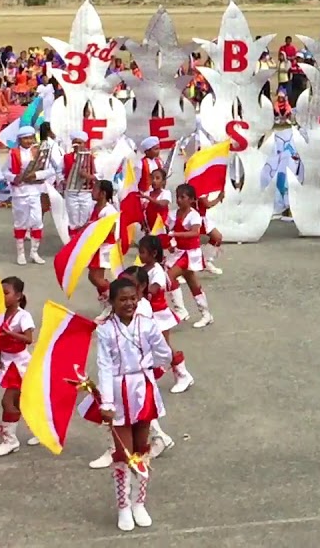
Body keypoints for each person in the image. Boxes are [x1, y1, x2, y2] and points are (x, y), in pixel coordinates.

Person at [95, 277, 173, 532]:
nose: (129, 303)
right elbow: (104, 366)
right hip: (118, 392)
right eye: (122, 299)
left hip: (142, 388)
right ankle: (123, 506)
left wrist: (150, 364)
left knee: (141, 449)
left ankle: (140, 502)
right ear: (112, 302)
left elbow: (165, 353)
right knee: (123, 453)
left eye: (132, 298)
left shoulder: (148, 325)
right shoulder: (105, 330)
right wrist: (106, 402)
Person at [137, 235, 194, 394]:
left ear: (153, 253)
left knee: (165, 348)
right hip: (147, 315)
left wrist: (139, 289)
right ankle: (149, 375)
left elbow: (154, 288)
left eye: (142, 252)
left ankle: (183, 375)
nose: (139, 256)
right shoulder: (142, 269)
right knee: (147, 347)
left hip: (159, 316)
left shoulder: (158, 271)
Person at [0, 276, 37, 457]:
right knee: (21, 402)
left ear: (18, 296)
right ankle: (39, 429)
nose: (3, 297)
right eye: (0, 294)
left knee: (7, 401)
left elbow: (28, 339)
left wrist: (10, 333)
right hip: (7, 362)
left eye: (6, 293)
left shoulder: (23, 316)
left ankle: (10, 440)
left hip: (20, 364)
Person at [3, 126, 54, 265]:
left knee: (37, 221)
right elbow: (5, 172)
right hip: (20, 192)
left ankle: (34, 252)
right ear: (20, 140)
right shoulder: (13, 153)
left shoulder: (39, 152)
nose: (28, 141)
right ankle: (20, 253)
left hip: (35, 191)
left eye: (31, 138)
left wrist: (36, 175)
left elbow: (50, 170)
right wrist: (15, 178)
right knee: (21, 222)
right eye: (25, 138)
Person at [165, 183, 212, 328]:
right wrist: (170, 242)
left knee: (169, 276)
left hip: (190, 254)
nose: (179, 200)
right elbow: (167, 229)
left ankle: (181, 310)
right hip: (179, 252)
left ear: (191, 199)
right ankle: (206, 314)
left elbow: (195, 232)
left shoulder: (194, 215)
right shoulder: (173, 214)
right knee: (193, 285)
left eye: (182, 197)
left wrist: (175, 234)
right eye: (177, 197)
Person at [86, 180, 120, 314]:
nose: (92, 191)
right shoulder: (94, 207)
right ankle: (107, 305)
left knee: (95, 277)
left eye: (95, 189)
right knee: (94, 277)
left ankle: (116, 296)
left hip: (105, 247)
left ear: (103, 193)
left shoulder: (109, 211)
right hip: (95, 247)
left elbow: (110, 230)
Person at [63, 130, 96, 235]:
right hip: (71, 192)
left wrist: (88, 176)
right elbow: (60, 172)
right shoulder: (66, 157)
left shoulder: (90, 158)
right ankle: (72, 244)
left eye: (80, 142)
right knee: (73, 220)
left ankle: (82, 244)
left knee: (85, 219)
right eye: (75, 142)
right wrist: (62, 180)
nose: (77, 145)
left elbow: (99, 175)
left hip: (85, 192)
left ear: (84, 143)